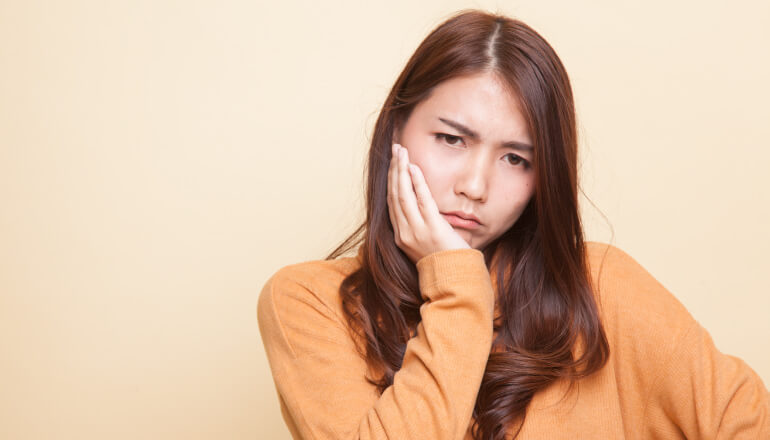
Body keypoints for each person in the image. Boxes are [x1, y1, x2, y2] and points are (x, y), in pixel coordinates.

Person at [257, 9, 770, 439]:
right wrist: (455, 282)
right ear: (395, 129)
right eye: (452, 139)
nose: (475, 186)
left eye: (516, 160)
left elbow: (747, 420)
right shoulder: (309, 303)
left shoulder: (598, 284)